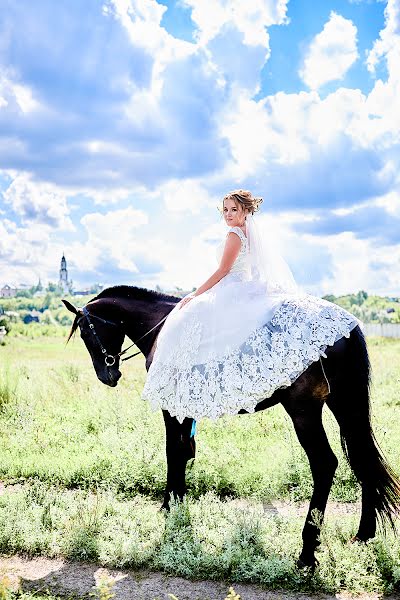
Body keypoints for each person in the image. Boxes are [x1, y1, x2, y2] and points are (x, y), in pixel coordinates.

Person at [141, 190, 361, 423]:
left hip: (233, 286)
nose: (228, 214)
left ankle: (197, 384)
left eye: (234, 209)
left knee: (188, 318)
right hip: (246, 284)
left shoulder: (235, 234)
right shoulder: (250, 233)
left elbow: (223, 271)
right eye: (225, 209)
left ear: (246, 211)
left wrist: (195, 294)